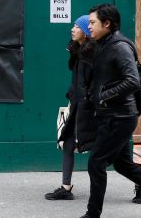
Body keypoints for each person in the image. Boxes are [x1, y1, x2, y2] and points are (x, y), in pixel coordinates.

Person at [79, 3, 141, 218]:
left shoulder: (119, 47)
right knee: (123, 165)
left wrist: (105, 95)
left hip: (119, 117)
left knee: (96, 163)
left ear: (107, 23)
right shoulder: (104, 44)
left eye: (92, 23)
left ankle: (92, 214)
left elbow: (132, 81)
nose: (89, 27)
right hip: (115, 116)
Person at [45, 15, 97, 200]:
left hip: (91, 110)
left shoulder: (92, 55)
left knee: (108, 151)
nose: (72, 29)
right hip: (77, 105)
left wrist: (88, 102)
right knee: (67, 142)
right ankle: (66, 188)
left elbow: (94, 84)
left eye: (77, 26)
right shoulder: (77, 51)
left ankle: (139, 183)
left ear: (86, 31)